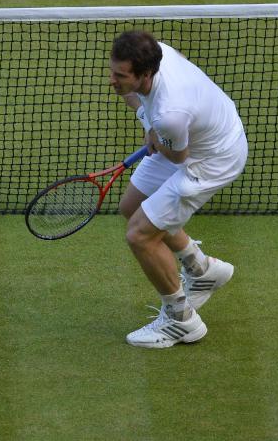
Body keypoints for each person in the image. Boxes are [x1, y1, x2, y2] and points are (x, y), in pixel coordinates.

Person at [109, 30, 248, 348]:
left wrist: (156, 131)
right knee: (132, 207)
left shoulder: (170, 116)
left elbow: (176, 155)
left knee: (140, 235)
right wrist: (150, 126)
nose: (112, 81)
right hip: (198, 131)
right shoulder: (159, 53)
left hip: (211, 159)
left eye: (120, 75)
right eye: (112, 70)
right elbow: (150, 113)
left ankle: (181, 320)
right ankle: (201, 269)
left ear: (145, 73)